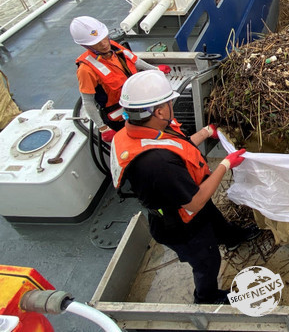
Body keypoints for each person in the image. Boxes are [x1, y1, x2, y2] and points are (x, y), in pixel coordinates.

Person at [110, 70, 261, 304]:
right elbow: (195, 202)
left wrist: (206, 132)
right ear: (159, 111)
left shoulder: (139, 131)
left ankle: (232, 237)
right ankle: (206, 297)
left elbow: (177, 148)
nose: (172, 105)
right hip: (180, 223)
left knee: (216, 221)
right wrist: (225, 164)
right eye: (169, 102)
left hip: (184, 194)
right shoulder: (156, 163)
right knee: (206, 260)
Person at [70, 16, 170, 141]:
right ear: (85, 46)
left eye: (104, 38)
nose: (104, 44)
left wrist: (155, 70)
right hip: (120, 118)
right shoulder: (86, 70)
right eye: (96, 43)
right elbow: (88, 102)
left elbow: (134, 61)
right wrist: (103, 128)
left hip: (140, 103)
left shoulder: (114, 47)